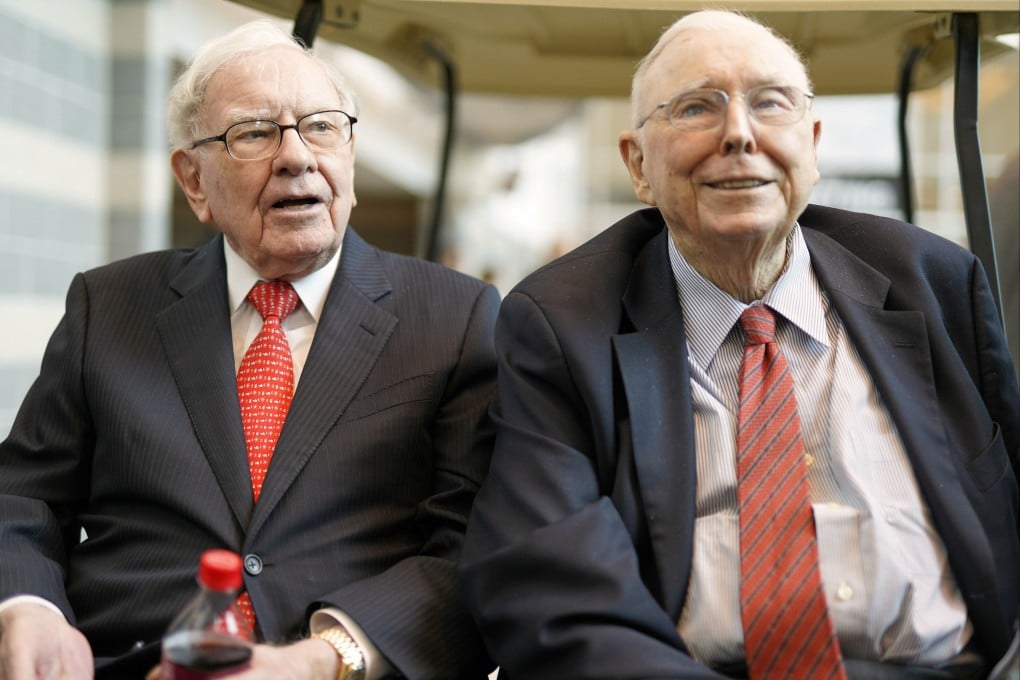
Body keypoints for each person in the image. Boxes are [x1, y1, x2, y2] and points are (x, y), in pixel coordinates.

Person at [460, 9, 1019, 680]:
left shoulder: (934, 283)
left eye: (770, 103)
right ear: (638, 165)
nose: (739, 134)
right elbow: (551, 593)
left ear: (812, 144)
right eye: (696, 107)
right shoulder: (563, 323)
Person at [0, 20, 498, 680]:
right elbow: (23, 497)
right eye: (255, 133)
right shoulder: (110, 305)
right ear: (194, 180)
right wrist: (29, 608)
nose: (296, 156)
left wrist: (322, 660)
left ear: (350, 156)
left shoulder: (455, 318)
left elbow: (471, 546)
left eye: (321, 126)